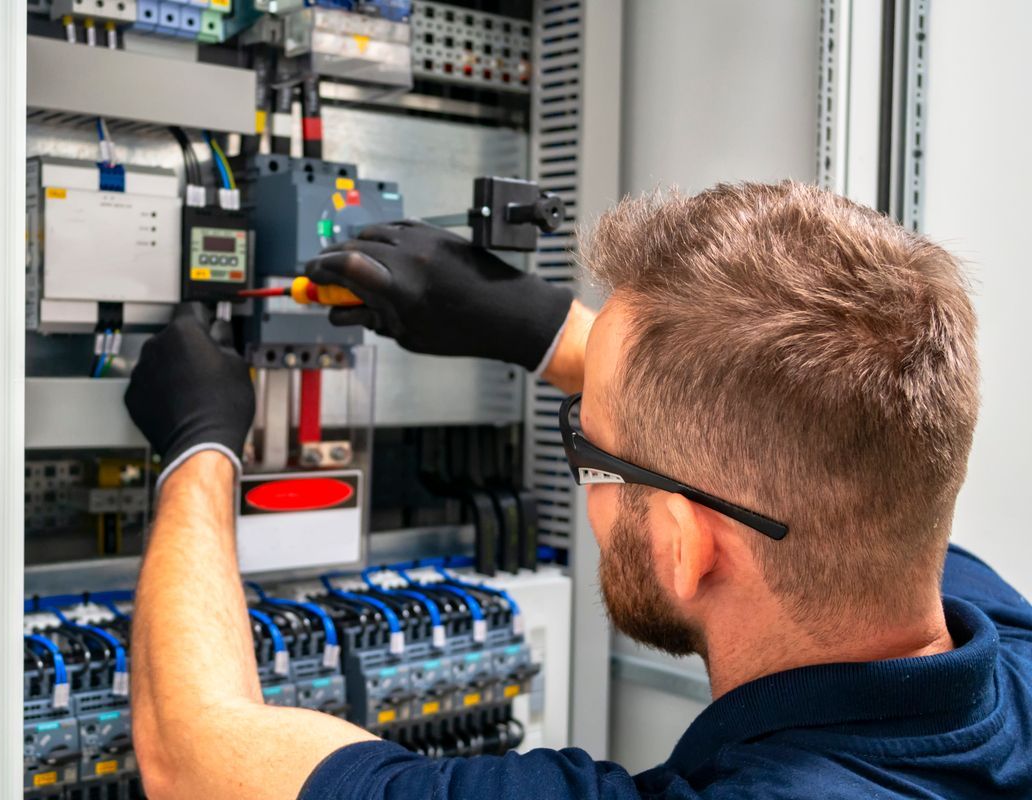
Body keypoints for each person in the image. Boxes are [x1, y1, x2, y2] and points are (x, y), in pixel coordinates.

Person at [123, 181, 1032, 799]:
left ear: (685, 545)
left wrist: (199, 447)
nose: (581, 458)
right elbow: (820, 444)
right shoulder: (998, 650)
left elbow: (191, 751)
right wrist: (543, 328)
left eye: (586, 445)